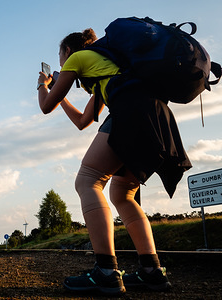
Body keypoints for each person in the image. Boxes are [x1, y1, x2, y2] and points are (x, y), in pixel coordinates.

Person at [37, 29, 191, 296]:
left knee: (88, 181)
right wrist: (60, 95)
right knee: (122, 193)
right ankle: (151, 271)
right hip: (156, 117)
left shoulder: (79, 58)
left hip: (130, 112)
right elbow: (83, 122)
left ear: (68, 52)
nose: (62, 64)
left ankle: (106, 272)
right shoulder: (107, 70)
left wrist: (43, 85)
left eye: (61, 57)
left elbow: (45, 106)